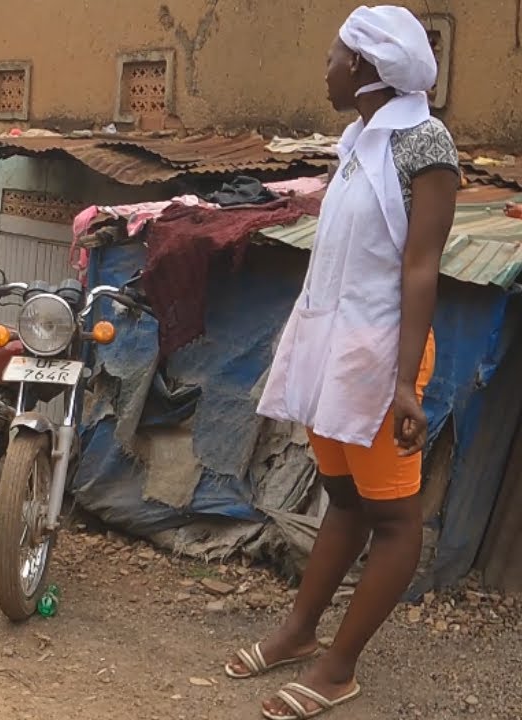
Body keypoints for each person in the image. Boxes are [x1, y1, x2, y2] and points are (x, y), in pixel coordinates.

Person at [227, 7, 458, 719]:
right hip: (335, 352)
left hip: (382, 358)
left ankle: (339, 667)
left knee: (394, 520)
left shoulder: (426, 144)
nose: (325, 64)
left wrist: (402, 382)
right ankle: (299, 633)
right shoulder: (358, 141)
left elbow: (421, 268)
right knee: (347, 502)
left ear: (360, 66)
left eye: (333, 52)